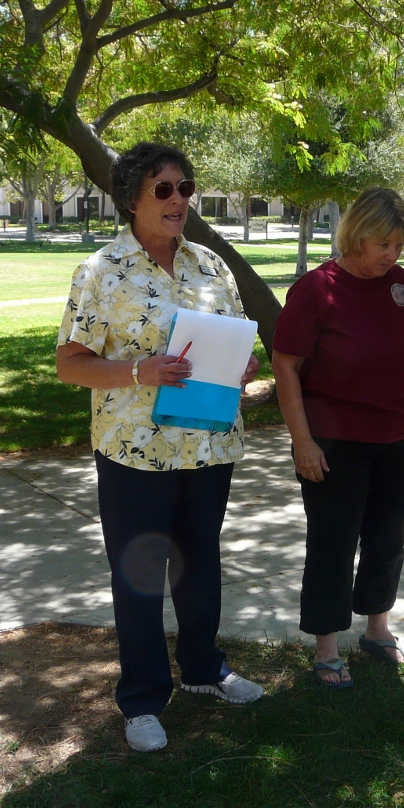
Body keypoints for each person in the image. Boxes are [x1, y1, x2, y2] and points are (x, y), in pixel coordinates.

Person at [56, 142, 262, 753]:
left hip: (206, 443)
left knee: (200, 562)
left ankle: (203, 670)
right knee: (141, 574)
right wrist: (139, 373)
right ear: (131, 200)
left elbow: (231, 337)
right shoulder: (101, 272)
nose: (179, 200)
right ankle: (143, 698)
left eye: (185, 187)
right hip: (134, 450)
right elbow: (71, 365)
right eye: (163, 190)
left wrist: (242, 363)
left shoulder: (211, 266)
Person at [271, 187, 404, 688]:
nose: (392, 255)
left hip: (396, 434)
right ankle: (327, 647)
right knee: (333, 541)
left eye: (399, 245)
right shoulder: (316, 288)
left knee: (387, 538)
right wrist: (302, 440)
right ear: (357, 236)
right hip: (334, 440)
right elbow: (286, 366)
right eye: (383, 244)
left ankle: (377, 629)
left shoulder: (401, 284)